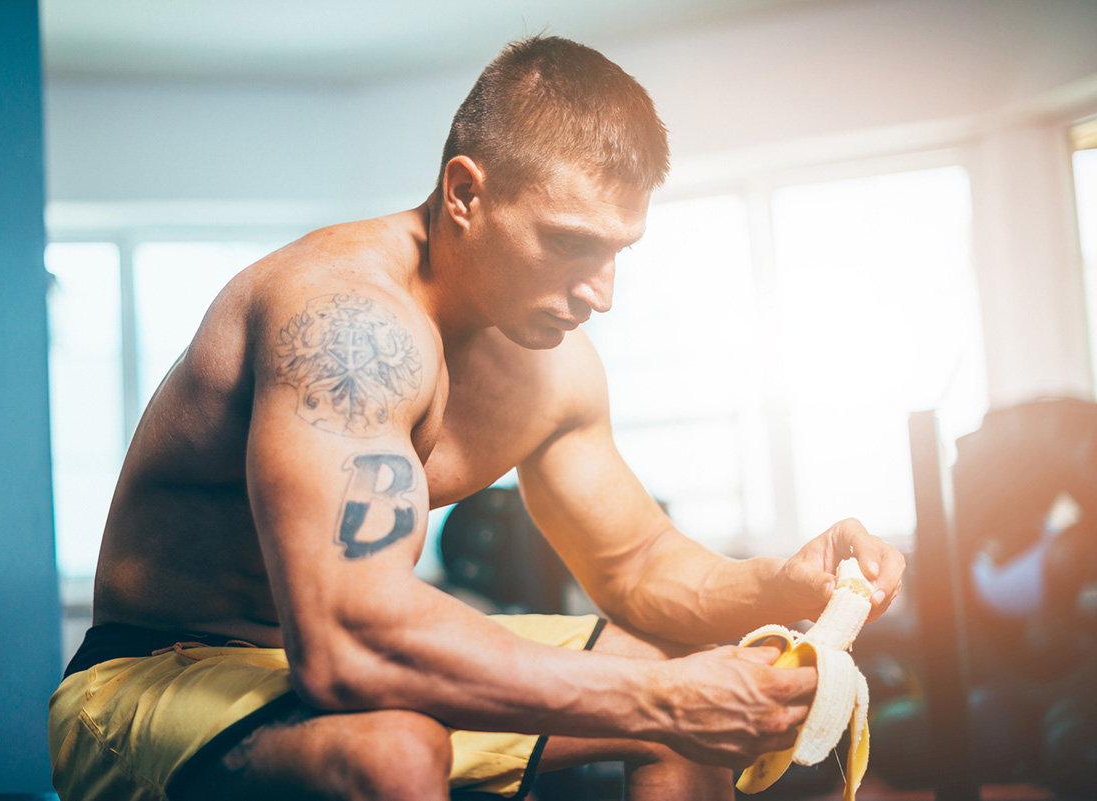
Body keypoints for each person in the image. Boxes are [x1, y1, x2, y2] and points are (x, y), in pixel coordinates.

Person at [48, 35, 905, 801]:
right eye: (571, 242)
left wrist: (781, 584)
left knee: (660, 669)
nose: (600, 292)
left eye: (617, 252)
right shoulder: (348, 321)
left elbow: (637, 562)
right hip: (156, 670)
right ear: (465, 192)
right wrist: (673, 699)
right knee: (394, 750)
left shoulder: (552, 366)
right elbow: (347, 645)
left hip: (334, 649)